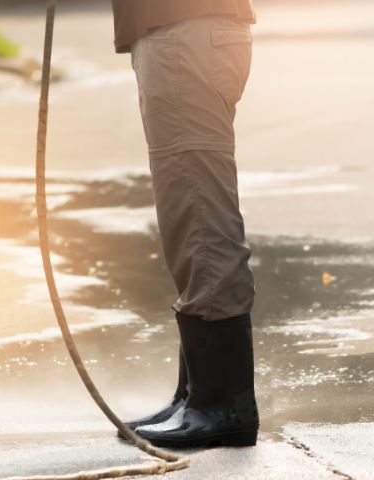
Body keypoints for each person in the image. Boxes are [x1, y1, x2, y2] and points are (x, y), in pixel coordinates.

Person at [111, 0, 260, 448]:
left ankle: (222, 405)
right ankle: (198, 394)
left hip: (184, 34)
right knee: (188, 213)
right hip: (181, 33)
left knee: (197, 214)